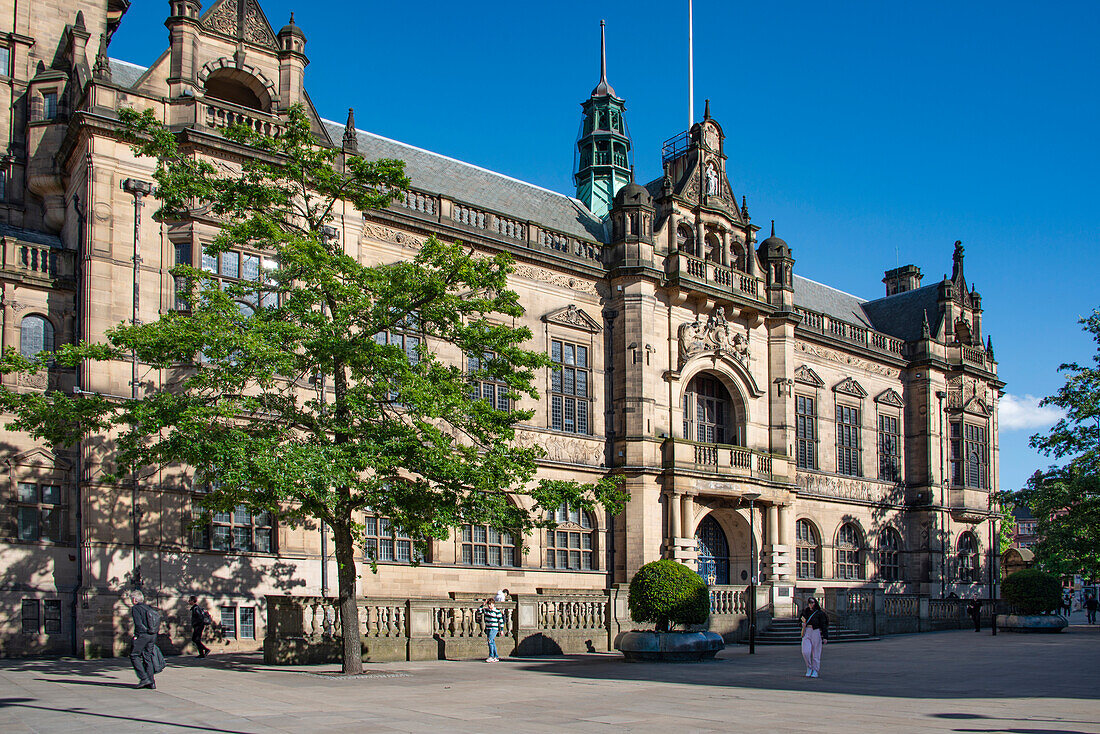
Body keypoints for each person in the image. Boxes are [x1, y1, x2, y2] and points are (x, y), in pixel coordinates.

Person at [128, 589, 163, 689]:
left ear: (134, 600)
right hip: (152, 635)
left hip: (143, 635)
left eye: (131, 599)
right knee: (147, 657)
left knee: (134, 655)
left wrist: (136, 636)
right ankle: (151, 682)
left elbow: (138, 624)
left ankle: (144, 678)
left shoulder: (136, 608)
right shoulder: (148, 608)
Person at [800, 597, 829, 678]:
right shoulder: (805, 611)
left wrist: (825, 636)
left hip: (816, 631)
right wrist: (801, 624)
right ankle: (809, 667)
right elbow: (800, 620)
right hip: (807, 631)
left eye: (812, 602)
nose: (811, 604)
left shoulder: (819, 613)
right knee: (805, 651)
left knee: (816, 652)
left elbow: (823, 625)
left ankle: (815, 669)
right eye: (809, 602)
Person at [478, 598, 505, 662]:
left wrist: (501, 630)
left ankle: (491, 655)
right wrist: (483, 605)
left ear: (493, 604)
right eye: (489, 604)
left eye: (491, 604)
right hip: (488, 628)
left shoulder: (497, 611)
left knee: (490, 640)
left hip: (494, 628)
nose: (490, 606)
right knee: (492, 641)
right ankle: (496, 656)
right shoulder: (486, 610)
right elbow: (479, 611)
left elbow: (501, 621)